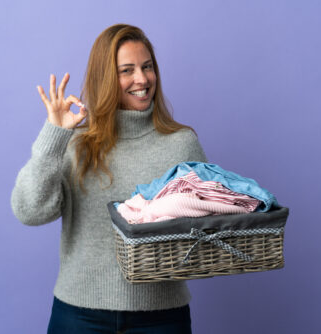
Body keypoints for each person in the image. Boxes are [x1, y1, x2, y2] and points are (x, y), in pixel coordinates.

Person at [11, 23, 208, 334]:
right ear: (105, 78)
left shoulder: (181, 143)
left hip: (161, 317)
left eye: (147, 67)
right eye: (126, 70)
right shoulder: (75, 144)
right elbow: (30, 211)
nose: (142, 79)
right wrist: (55, 136)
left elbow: (203, 230)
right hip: (79, 316)